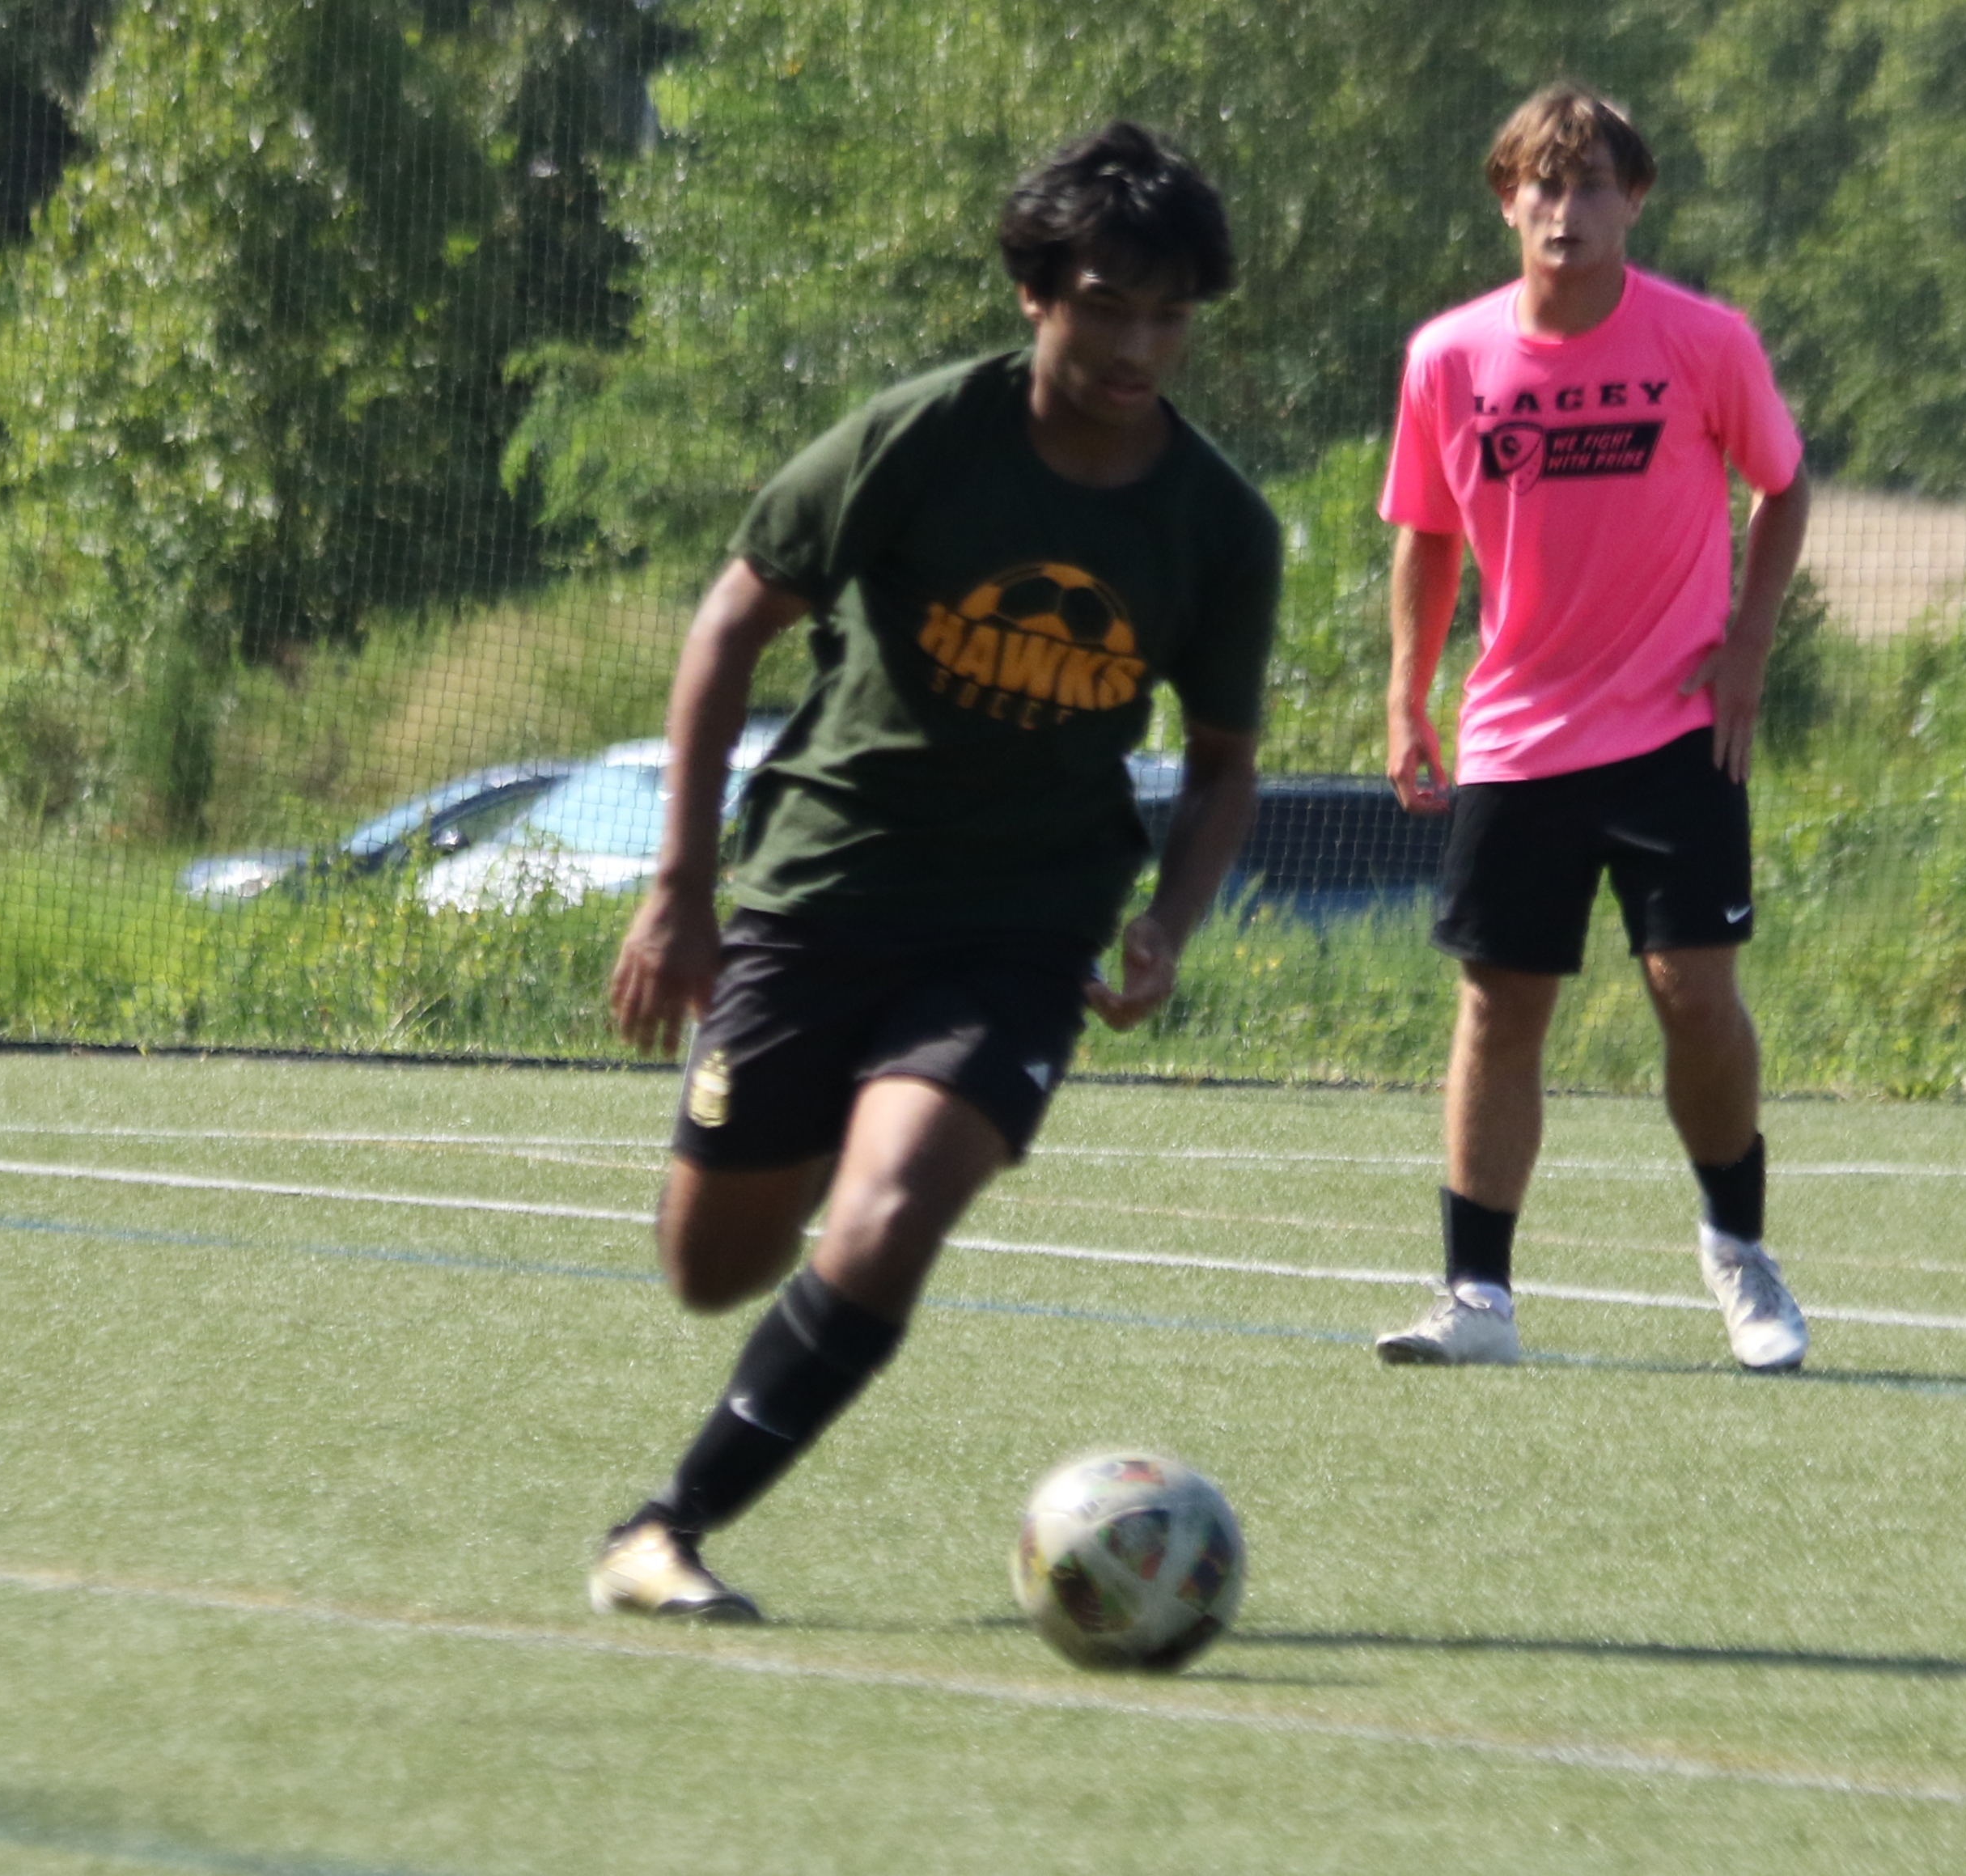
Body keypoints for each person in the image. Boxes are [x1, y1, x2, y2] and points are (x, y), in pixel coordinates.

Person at [587, 122, 1280, 1620]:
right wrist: (680, 888)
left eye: (1168, 315)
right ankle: (836, 1120)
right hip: (824, 890)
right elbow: (728, 627)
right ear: (1036, 292)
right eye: (1105, 305)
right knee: (711, 1268)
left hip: (1022, 929)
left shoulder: (1219, 526)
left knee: (893, 1212)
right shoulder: (918, 438)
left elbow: (1225, 763)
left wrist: (1167, 921)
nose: (1138, 346)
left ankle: (664, 1529)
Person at [1370, 83, 1813, 1371]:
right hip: (1517, 737)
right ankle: (1475, 1298)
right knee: (1498, 1008)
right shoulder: (1447, 358)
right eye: (1542, 185)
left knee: (1694, 994)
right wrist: (1405, 693)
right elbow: (1426, 535)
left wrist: (1747, 644)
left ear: (1635, 200)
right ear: (1506, 201)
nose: (1565, 210)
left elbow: (1782, 486)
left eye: (1592, 185)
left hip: (1676, 732)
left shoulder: (1704, 341)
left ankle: (1738, 1252)